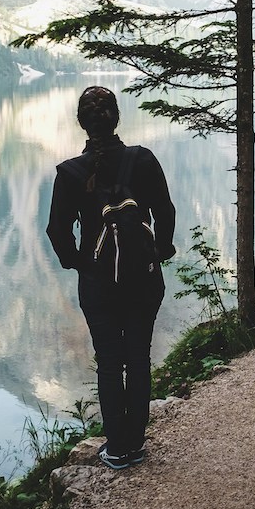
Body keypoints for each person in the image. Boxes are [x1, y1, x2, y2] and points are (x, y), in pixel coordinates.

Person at [47, 86, 177, 470]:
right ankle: (136, 443)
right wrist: (161, 250)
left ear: (82, 123)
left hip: (98, 282)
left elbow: (57, 230)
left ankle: (117, 447)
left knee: (108, 361)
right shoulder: (142, 159)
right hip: (143, 276)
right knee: (138, 358)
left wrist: (77, 262)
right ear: (116, 118)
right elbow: (165, 211)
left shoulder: (70, 173)